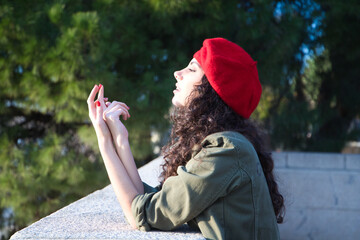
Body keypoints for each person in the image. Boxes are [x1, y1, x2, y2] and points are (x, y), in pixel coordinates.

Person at [88, 37, 284, 240]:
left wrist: (104, 140)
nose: (177, 73)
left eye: (191, 69)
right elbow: (151, 201)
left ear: (211, 90)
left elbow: (143, 213)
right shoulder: (229, 145)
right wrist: (119, 140)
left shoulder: (226, 150)